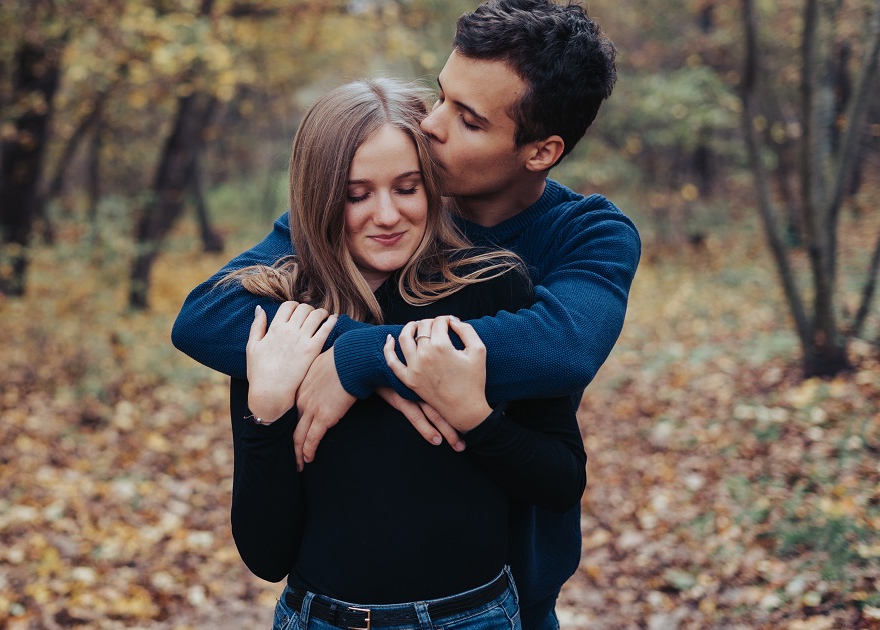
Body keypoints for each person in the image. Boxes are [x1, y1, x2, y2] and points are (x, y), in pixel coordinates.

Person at [173, 2, 641, 628]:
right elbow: (208, 314)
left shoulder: (583, 234)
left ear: (540, 150)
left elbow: (561, 345)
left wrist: (364, 359)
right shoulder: (369, 220)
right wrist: (349, 349)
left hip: (506, 601)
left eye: (468, 119)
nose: (433, 126)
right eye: (442, 96)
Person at [225, 77, 586, 630]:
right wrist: (266, 414)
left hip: (475, 617)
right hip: (325, 619)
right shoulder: (286, 323)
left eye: (407, 187)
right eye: (357, 194)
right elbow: (265, 554)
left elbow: (560, 481)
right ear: (318, 196)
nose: (388, 215)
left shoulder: (495, 290)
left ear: (433, 188)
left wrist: (476, 418)